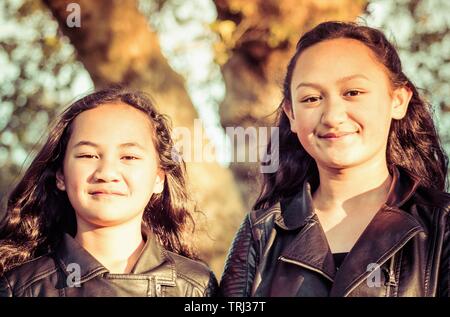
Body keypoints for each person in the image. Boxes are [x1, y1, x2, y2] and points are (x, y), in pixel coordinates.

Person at [220, 21, 450, 297]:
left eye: (352, 93)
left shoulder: (441, 225)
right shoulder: (260, 234)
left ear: (397, 101)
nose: (331, 116)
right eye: (311, 98)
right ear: (291, 114)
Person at [0, 87, 218, 297]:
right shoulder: (20, 286)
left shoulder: (197, 286)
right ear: (61, 176)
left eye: (129, 157)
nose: (106, 173)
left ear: (159, 179)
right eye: (88, 155)